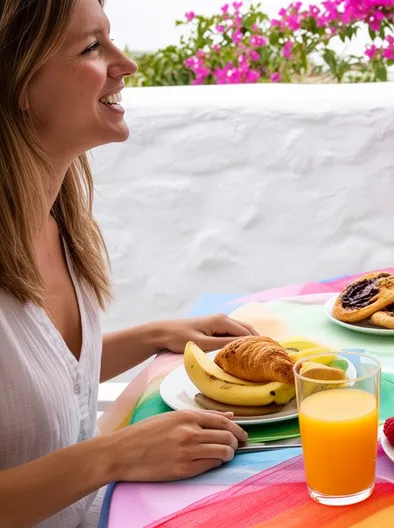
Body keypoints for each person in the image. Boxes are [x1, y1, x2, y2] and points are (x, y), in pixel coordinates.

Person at [0, 1, 259, 526]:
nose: (126, 63)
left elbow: (32, 389)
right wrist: (116, 454)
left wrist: (153, 335)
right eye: (93, 47)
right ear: (20, 83)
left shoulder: (59, 222)